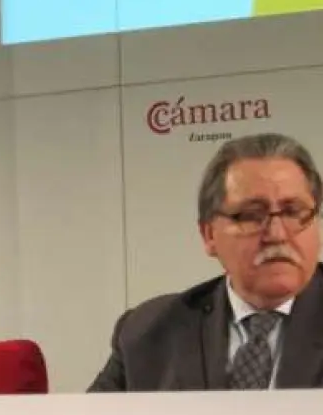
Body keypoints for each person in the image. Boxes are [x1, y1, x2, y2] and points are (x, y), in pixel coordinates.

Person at [90, 132, 323, 391]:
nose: (277, 234)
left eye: (293, 212)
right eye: (251, 215)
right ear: (209, 235)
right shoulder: (149, 331)